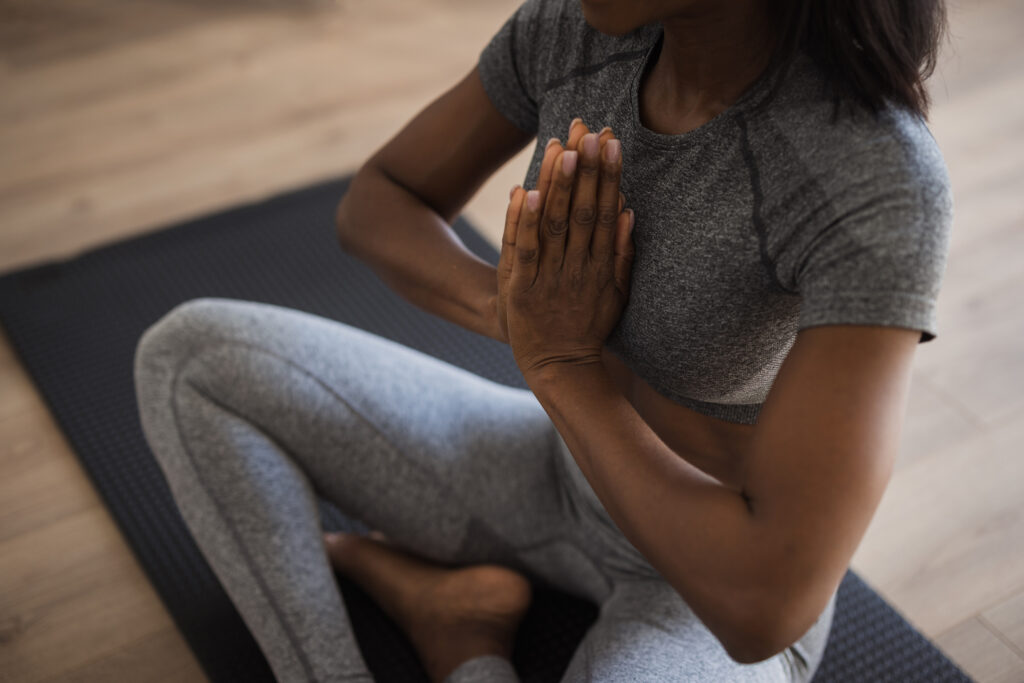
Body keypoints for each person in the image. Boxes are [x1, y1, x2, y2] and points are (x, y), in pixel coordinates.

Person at [133, 0, 952, 680]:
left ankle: (461, 635)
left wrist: (564, 365)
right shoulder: (572, 30)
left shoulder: (872, 181)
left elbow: (761, 607)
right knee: (190, 358)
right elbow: (379, 201)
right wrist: (516, 315)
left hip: (703, 582)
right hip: (547, 473)